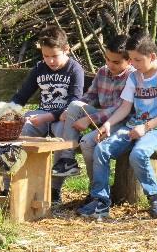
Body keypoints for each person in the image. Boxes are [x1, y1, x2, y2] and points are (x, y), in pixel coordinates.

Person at [77, 31, 157, 219]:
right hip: (133, 125)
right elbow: (125, 107)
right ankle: (100, 202)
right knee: (102, 149)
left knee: (138, 154)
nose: (133, 64)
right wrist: (108, 124)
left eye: (137, 60)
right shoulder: (135, 77)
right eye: (131, 60)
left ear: (152, 57)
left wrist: (146, 127)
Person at [6, 25, 84, 204]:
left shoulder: (75, 70)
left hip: (63, 117)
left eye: (54, 56)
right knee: (19, 130)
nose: (50, 61)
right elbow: (22, 95)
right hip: (40, 115)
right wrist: (8, 111)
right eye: (45, 56)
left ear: (66, 49)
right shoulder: (40, 68)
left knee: (61, 136)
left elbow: (74, 102)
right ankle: (10, 184)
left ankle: (54, 190)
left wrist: (49, 117)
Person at [52, 34, 134, 187]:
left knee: (87, 141)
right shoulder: (103, 71)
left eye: (116, 62)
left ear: (129, 60)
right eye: (107, 59)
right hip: (101, 119)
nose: (110, 64)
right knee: (75, 105)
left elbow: (120, 108)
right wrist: (69, 110)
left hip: (121, 122)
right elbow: (90, 96)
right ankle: (68, 159)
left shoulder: (133, 77)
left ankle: (95, 189)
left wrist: (90, 119)